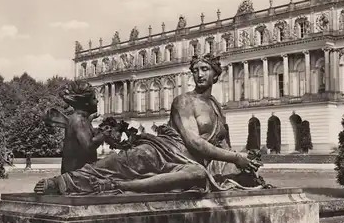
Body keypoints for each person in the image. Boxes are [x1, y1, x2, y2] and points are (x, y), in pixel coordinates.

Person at [34, 53, 266, 195]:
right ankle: (62, 182)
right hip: (164, 151)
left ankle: (122, 188)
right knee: (117, 164)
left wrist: (242, 163)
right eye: (195, 71)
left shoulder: (216, 107)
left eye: (205, 70)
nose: (199, 75)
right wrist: (236, 158)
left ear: (217, 75)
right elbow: (194, 142)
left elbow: (223, 145)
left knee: (198, 174)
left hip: (190, 164)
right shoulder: (183, 101)